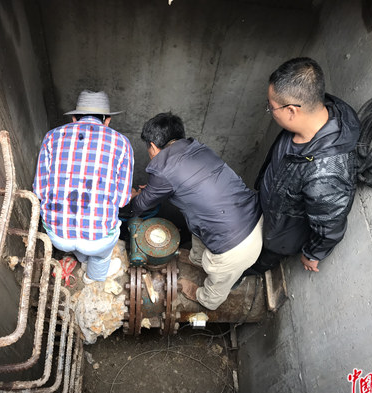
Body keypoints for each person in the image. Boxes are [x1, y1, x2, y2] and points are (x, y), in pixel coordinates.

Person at [131, 112, 263, 310]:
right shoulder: (199, 148)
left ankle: (203, 298)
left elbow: (139, 206)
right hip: (254, 217)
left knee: (217, 286)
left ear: (153, 146)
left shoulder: (163, 168)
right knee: (198, 223)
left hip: (235, 249)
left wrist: (134, 198)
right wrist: (152, 191)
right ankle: (197, 260)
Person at [247, 57, 360, 276]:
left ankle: (251, 273)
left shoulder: (326, 174)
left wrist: (312, 254)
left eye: (271, 107)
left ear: (291, 111)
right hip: (267, 211)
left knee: (259, 261)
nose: (270, 111)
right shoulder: (310, 117)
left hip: (279, 237)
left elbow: (329, 224)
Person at [33, 90, 134, 283]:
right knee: (102, 253)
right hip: (98, 239)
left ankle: (81, 256)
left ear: (74, 118)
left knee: (78, 241)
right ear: (107, 121)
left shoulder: (51, 137)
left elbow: (39, 190)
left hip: (57, 236)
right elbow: (122, 200)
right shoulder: (122, 143)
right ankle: (92, 276)